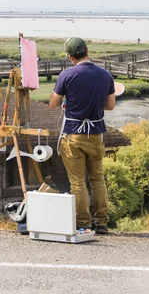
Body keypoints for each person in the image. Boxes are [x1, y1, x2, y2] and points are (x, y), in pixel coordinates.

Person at [49, 37, 116, 234]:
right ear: (87, 50)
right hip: (96, 134)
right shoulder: (105, 75)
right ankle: (102, 223)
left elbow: (53, 103)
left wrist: (68, 102)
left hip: (73, 133)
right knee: (97, 179)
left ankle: (84, 224)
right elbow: (110, 105)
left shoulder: (67, 75)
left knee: (78, 182)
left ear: (70, 57)